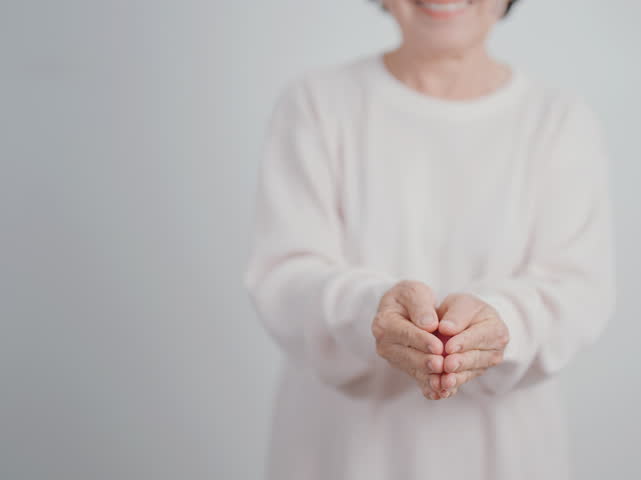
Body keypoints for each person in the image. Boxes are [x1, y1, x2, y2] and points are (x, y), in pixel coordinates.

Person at [242, 0, 617, 478]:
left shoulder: (560, 121)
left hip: (504, 455)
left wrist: (500, 325)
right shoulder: (315, 104)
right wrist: (371, 310)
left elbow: (577, 289)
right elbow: (284, 276)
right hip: (342, 452)